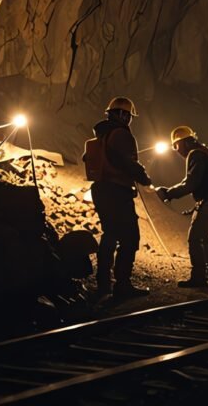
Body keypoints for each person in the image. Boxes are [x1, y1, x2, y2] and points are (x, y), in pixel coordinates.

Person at [87, 96, 152, 298]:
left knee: (110, 234)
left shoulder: (102, 135)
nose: (129, 119)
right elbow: (126, 162)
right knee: (130, 237)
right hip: (116, 190)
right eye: (128, 115)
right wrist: (144, 178)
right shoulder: (121, 135)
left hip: (100, 189)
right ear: (123, 115)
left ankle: (104, 283)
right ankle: (122, 285)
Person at [156, 126, 208, 287]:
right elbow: (192, 181)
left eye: (176, 146)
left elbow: (190, 183)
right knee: (204, 236)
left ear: (183, 143)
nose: (176, 150)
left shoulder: (196, 154)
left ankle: (199, 277)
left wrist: (167, 194)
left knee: (194, 237)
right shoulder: (203, 151)